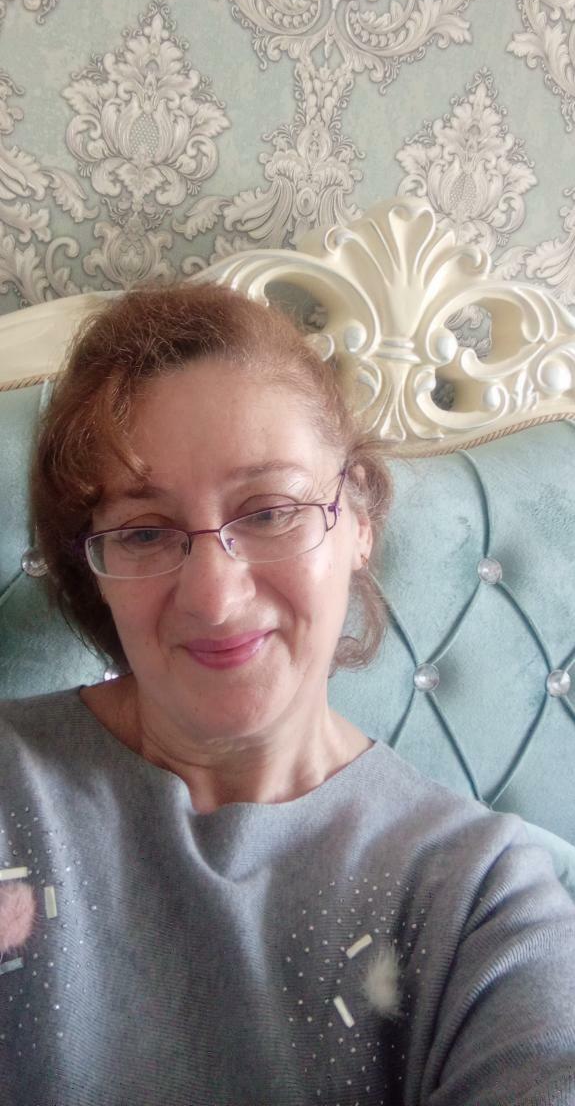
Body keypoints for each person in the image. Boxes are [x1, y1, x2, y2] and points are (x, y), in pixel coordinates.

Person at [0, 282, 574, 1106]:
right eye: (145, 532)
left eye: (269, 512)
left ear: (358, 518)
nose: (213, 598)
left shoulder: (478, 897)